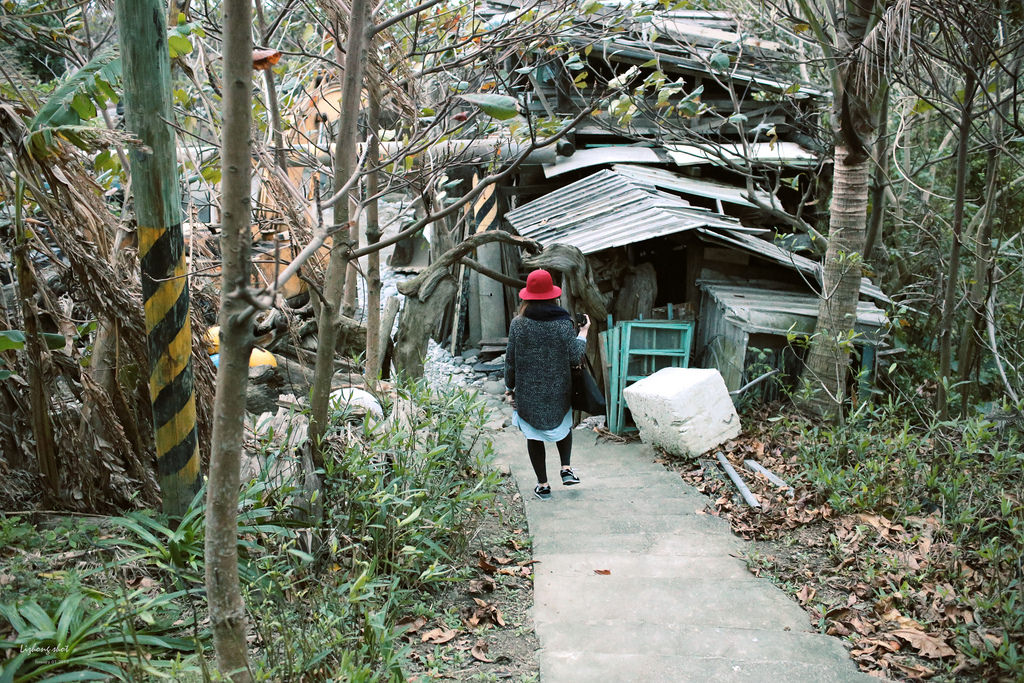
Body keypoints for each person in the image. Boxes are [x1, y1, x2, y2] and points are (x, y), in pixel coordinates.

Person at [504, 269, 590, 500]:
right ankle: (566, 468)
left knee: (534, 437)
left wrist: (509, 387)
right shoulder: (563, 324)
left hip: (528, 394)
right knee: (564, 427)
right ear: (553, 296)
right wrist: (583, 332)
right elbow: (575, 356)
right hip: (559, 391)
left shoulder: (518, 325)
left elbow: (510, 360)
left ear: (527, 297)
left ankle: (543, 485)